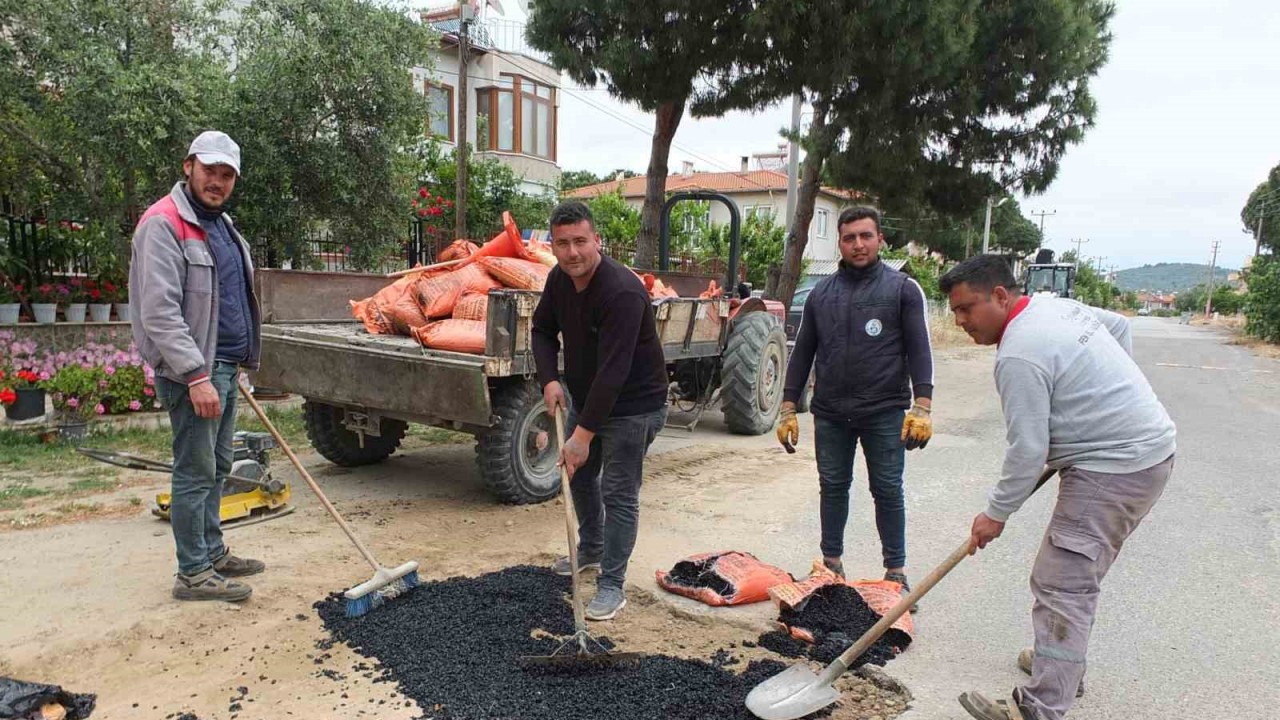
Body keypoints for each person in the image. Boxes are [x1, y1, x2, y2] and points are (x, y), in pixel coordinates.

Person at [939, 255, 1176, 720]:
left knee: (1062, 583)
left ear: (1001, 296)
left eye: (967, 308)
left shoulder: (1019, 354)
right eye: (955, 312)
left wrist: (995, 514)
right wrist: (1104, 397)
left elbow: (1028, 449)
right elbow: (1119, 328)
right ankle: (1060, 665)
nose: (961, 321)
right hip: (1145, 454)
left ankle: (1041, 707)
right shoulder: (1052, 306)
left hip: (1113, 468)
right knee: (1074, 580)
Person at [130, 130, 264, 602]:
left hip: (222, 367)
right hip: (194, 375)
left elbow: (229, 300)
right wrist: (196, 375)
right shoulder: (163, 224)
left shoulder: (221, 225)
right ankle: (192, 573)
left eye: (227, 175)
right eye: (210, 170)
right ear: (188, 166)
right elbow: (160, 313)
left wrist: (235, 363)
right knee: (194, 470)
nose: (218, 181)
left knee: (219, 465)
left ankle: (212, 552)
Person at [777, 206, 935, 596]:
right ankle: (831, 566)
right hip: (830, 413)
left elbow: (919, 349)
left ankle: (895, 573)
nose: (858, 244)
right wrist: (787, 407)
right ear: (840, 243)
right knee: (832, 486)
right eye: (850, 238)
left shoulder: (902, 289)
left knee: (887, 489)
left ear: (880, 239)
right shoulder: (820, 294)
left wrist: (923, 405)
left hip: (884, 411)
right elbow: (803, 354)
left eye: (866, 236)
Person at [531, 200, 669, 621]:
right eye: (562, 243)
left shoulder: (622, 291)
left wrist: (583, 436)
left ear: (598, 241)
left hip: (634, 406)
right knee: (580, 477)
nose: (572, 252)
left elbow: (615, 371)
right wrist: (550, 379)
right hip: (589, 398)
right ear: (552, 245)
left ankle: (612, 584)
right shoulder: (558, 280)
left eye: (580, 242)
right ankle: (590, 547)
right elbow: (540, 329)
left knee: (618, 492)